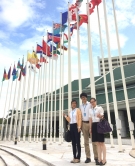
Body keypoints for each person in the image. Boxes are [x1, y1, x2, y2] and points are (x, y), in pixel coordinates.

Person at [80, 93, 98, 164]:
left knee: (94, 141)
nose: (83, 98)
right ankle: (88, 157)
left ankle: (96, 157)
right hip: (84, 124)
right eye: (82, 97)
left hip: (91, 124)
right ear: (81, 98)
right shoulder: (81, 106)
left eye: (84, 97)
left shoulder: (90, 104)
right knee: (86, 142)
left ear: (86, 98)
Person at [89, 97, 107, 165]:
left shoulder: (99, 108)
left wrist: (100, 116)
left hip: (99, 125)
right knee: (97, 143)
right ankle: (99, 159)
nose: (92, 103)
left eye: (93, 101)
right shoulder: (90, 110)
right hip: (93, 125)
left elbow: (102, 117)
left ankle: (104, 159)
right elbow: (90, 119)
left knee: (101, 143)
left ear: (96, 101)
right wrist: (90, 128)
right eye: (91, 102)